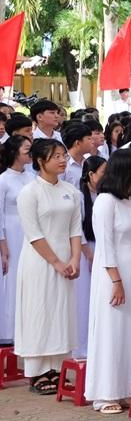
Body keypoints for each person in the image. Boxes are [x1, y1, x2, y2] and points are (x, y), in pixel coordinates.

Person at [84, 148, 131, 414]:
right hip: (111, 272)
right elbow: (105, 245)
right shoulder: (105, 201)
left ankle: (129, 389)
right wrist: (116, 281)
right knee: (111, 330)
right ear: (125, 169)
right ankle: (105, 393)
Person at [13, 138, 82, 394]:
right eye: (56, 156)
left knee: (60, 311)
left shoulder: (71, 191)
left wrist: (74, 259)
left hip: (66, 260)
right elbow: (33, 234)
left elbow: (75, 229)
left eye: (64, 155)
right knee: (39, 311)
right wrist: (56, 262)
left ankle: (57, 368)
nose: (63, 160)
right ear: (41, 161)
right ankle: (36, 372)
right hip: (39, 261)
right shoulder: (30, 193)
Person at [0, 134, 37, 344]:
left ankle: (28, 328)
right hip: (11, 232)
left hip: (30, 231)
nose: (30, 153)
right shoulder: (3, 180)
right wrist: (3, 244)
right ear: (15, 153)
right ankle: (9, 330)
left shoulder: (32, 178)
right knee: (12, 279)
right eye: (26, 149)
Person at [74, 154, 106, 357]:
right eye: (103, 172)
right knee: (84, 299)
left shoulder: (105, 197)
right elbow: (77, 228)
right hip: (86, 250)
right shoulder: (79, 197)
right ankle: (81, 345)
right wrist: (88, 254)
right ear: (91, 175)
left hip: (100, 249)